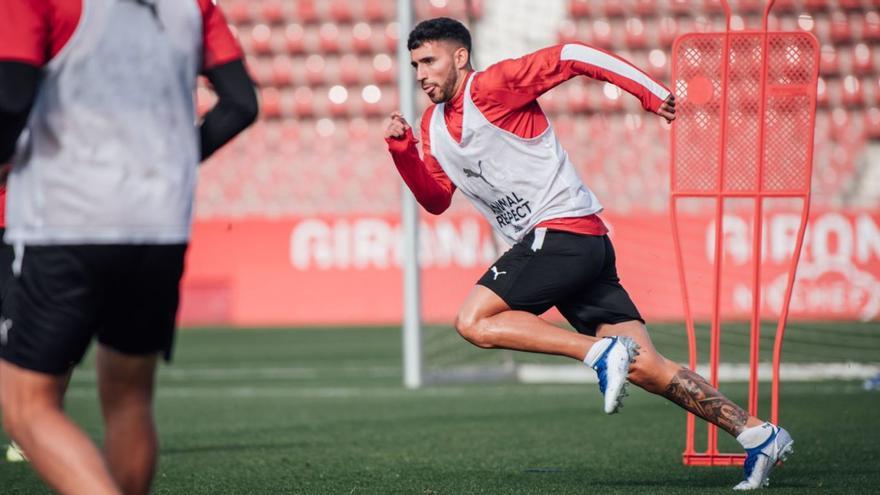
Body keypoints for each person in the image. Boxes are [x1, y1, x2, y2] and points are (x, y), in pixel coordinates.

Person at [384, 17, 792, 491]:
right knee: (645, 366)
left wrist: (649, 93)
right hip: (580, 245)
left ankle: (600, 352)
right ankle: (758, 434)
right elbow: (436, 199)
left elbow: (573, 55)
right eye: (415, 65)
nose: (421, 75)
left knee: (473, 321)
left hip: (562, 233)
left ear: (459, 57)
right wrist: (403, 152)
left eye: (429, 61)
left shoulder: (493, 86)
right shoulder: (431, 126)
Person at [0, 1, 258, 493]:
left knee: (26, 407)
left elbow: (11, 98)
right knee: (129, 400)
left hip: (68, 217)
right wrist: (174, 161)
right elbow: (241, 103)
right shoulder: (194, 4)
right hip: (158, 221)